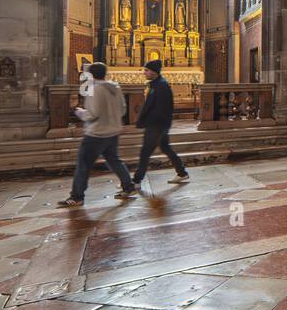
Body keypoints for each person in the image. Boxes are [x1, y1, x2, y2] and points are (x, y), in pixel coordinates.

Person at [58, 62, 136, 208]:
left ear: (91, 75)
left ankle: (77, 196)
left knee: (83, 165)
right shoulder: (116, 87)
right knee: (114, 161)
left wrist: (78, 111)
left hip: (96, 134)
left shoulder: (95, 89)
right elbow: (123, 110)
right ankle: (128, 186)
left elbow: (92, 114)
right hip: (113, 131)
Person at [131, 59, 189, 188]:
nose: (144, 73)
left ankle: (136, 181)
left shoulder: (161, 85)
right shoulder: (156, 84)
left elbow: (163, 108)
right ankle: (182, 173)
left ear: (154, 72)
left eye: (146, 70)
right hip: (159, 124)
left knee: (145, 152)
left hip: (156, 125)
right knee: (165, 148)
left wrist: (150, 122)